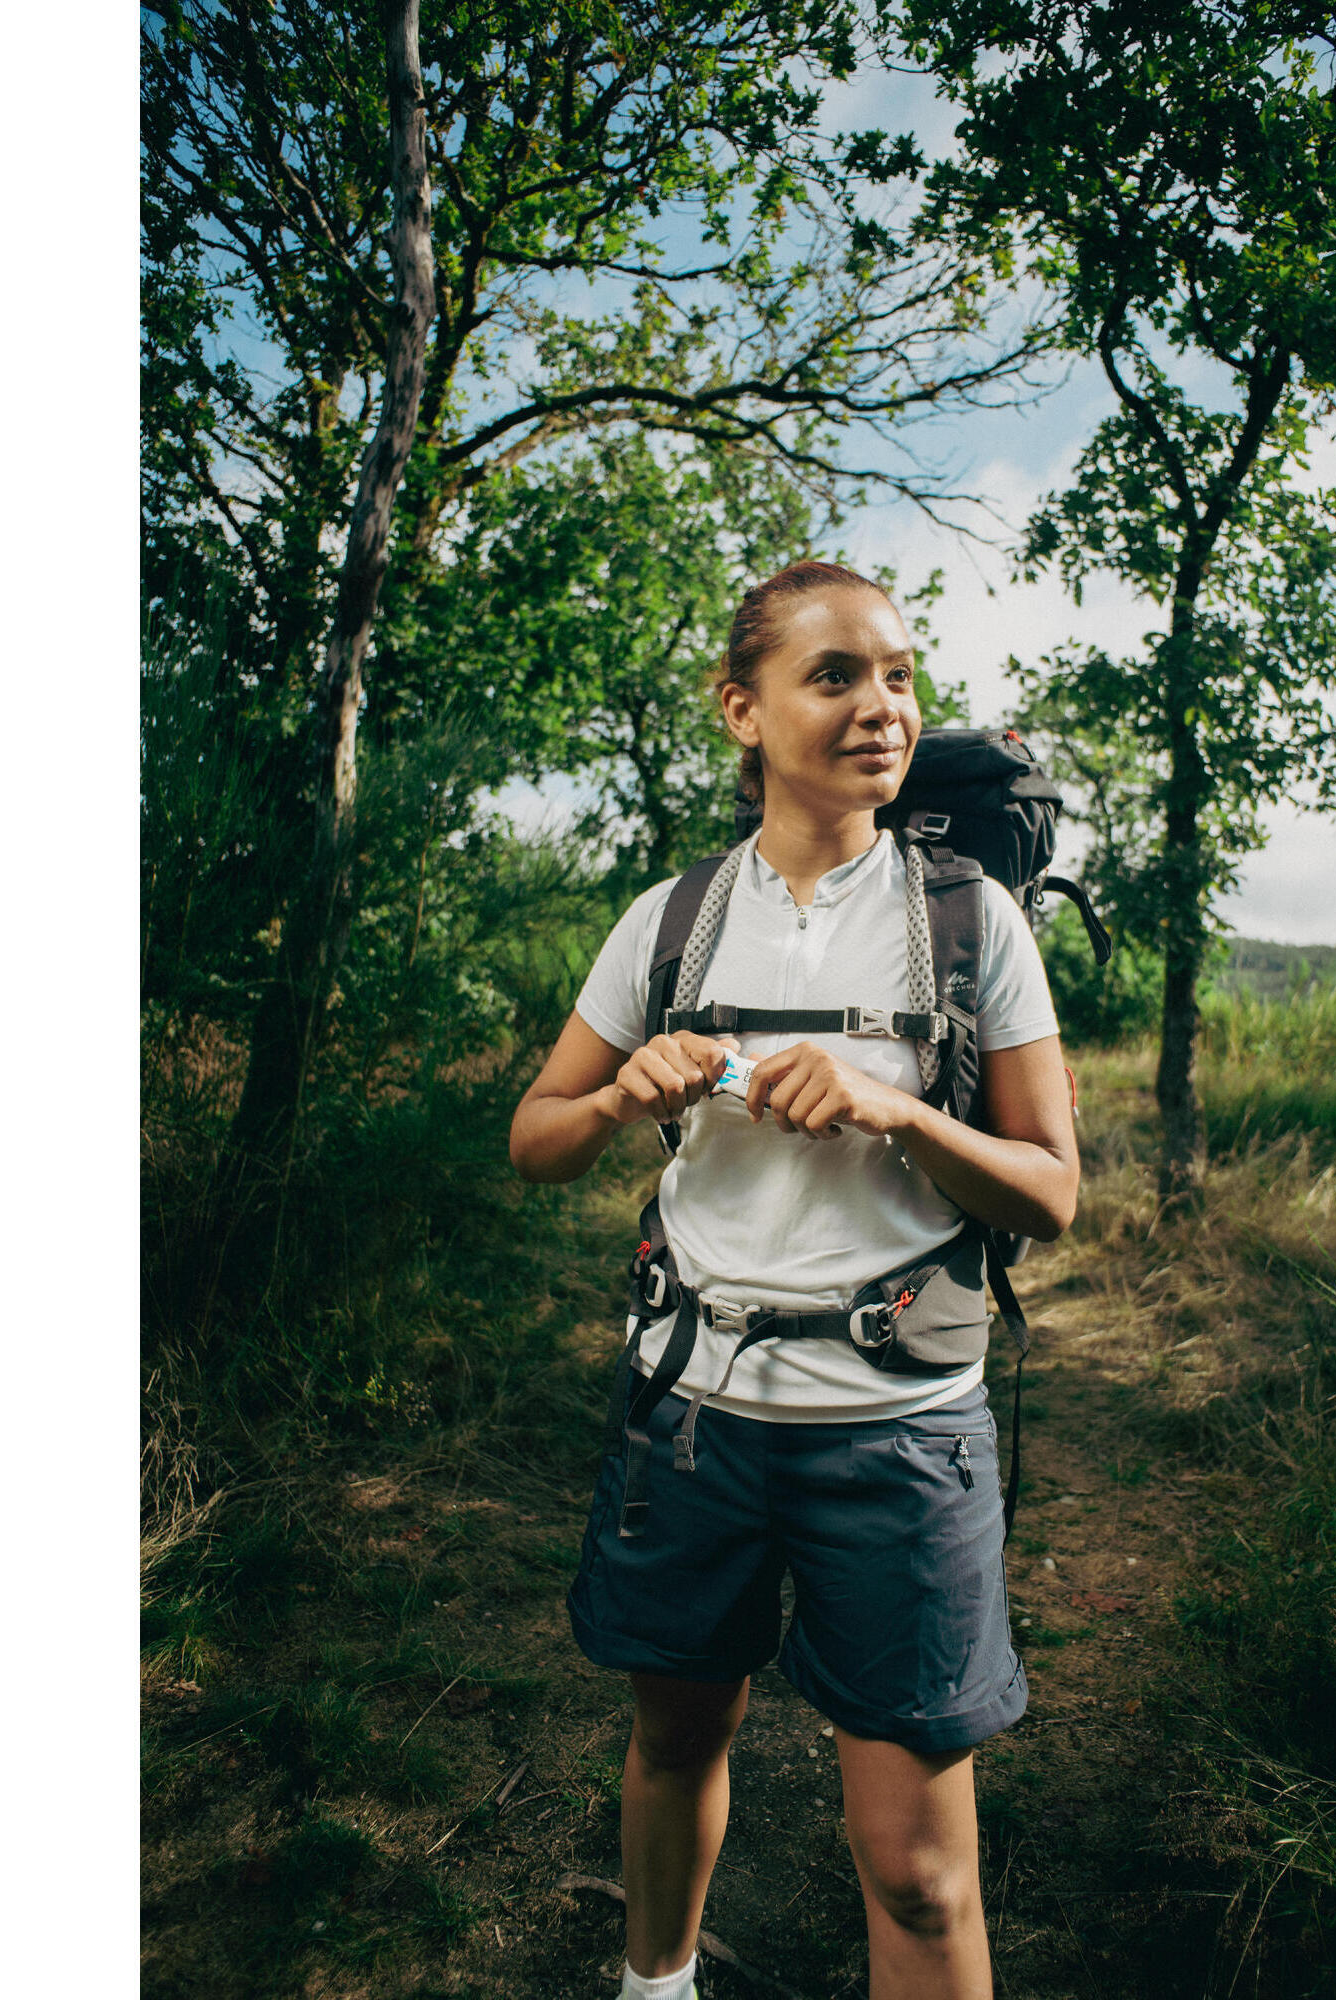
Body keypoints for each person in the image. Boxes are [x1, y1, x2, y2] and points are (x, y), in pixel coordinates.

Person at [509, 559, 1078, 2000]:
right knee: (675, 1744)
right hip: (689, 1414)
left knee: (921, 1873)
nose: (881, 706)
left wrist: (904, 1112)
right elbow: (538, 1139)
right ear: (742, 711)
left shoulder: (969, 924)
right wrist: (624, 1094)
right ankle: (657, 1985)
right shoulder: (673, 919)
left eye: (898, 675)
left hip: (899, 1433)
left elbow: (1053, 1194)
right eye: (836, 677)